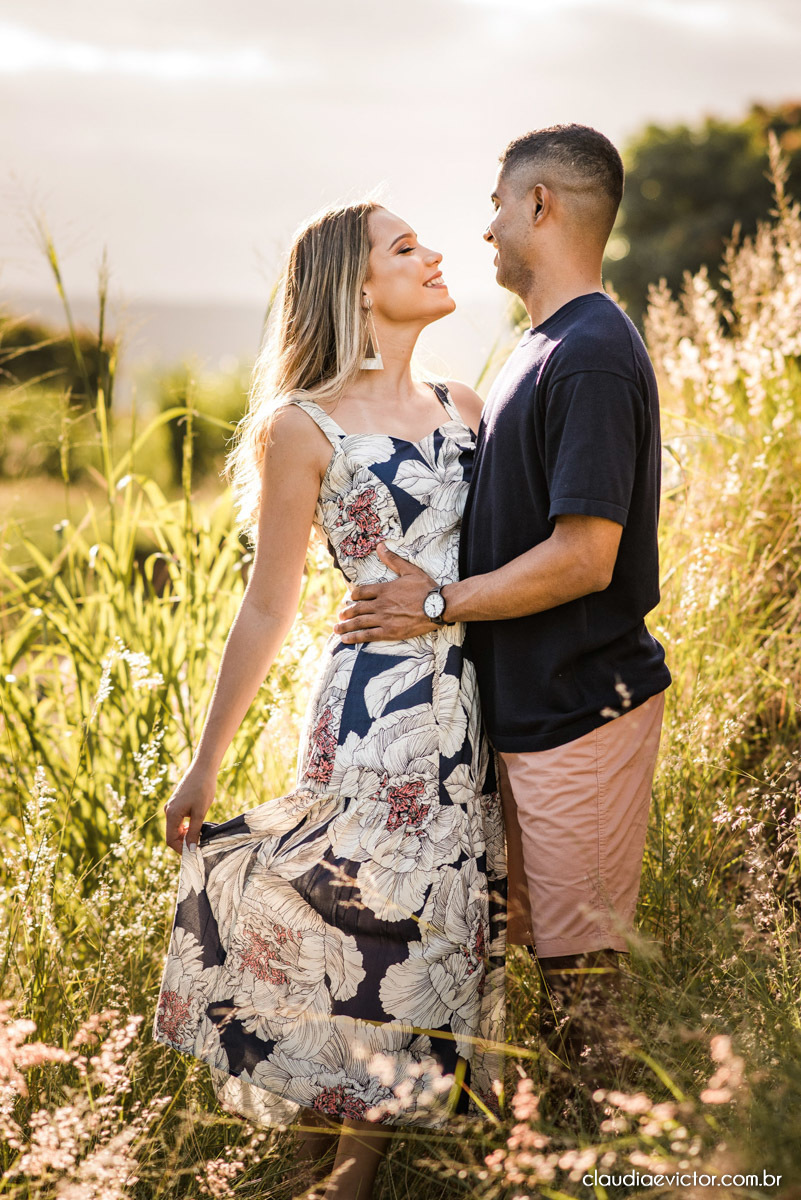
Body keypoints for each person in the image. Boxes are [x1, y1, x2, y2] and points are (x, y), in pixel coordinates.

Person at [153, 200, 506, 1200]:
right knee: (354, 937)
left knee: (435, 939)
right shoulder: (300, 428)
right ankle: (329, 1176)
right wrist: (206, 762)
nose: (435, 255)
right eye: (406, 248)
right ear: (357, 286)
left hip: (468, 714)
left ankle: (344, 1175)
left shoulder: (467, 405)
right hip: (370, 721)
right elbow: (269, 608)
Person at [334, 124, 672, 1093]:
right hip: (525, 715)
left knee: (580, 990)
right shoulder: (541, 346)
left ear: (540, 205)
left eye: (495, 203)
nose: (482, 230)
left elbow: (585, 556)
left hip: (580, 711)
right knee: (541, 968)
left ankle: (605, 1171)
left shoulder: (594, 351)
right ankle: (542, 1159)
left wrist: (434, 603)